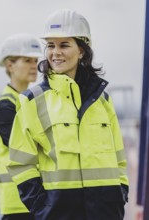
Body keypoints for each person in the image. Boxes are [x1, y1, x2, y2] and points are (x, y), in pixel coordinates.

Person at [7, 9, 129, 220]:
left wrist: (121, 192)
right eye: (51, 46)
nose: (55, 53)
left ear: (82, 51)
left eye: (64, 45)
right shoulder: (32, 101)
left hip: (106, 212)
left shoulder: (103, 101)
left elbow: (119, 157)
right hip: (59, 213)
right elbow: (20, 163)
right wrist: (42, 208)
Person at [0, 33, 42, 220]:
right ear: (9, 65)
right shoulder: (5, 106)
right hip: (18, 203)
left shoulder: (32, 100)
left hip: (37, 198)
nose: (33, 65)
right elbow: (25, 148)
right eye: (27, 60)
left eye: (35, 60)